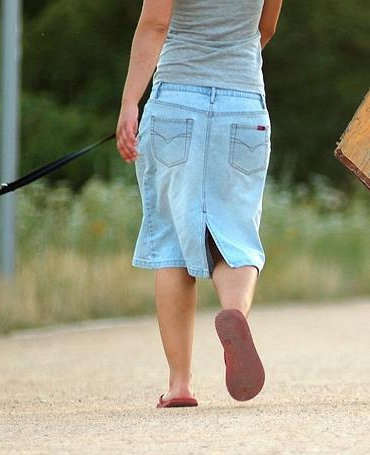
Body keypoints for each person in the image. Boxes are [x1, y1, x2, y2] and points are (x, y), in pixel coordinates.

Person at [116, 0, 284, 408]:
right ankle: (235, 314)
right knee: (237, 234)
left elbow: (156, 25)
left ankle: (180, 385)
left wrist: (129, 103)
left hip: (177, 99)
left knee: (173, 242)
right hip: (243, 101)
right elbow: (266, 28)